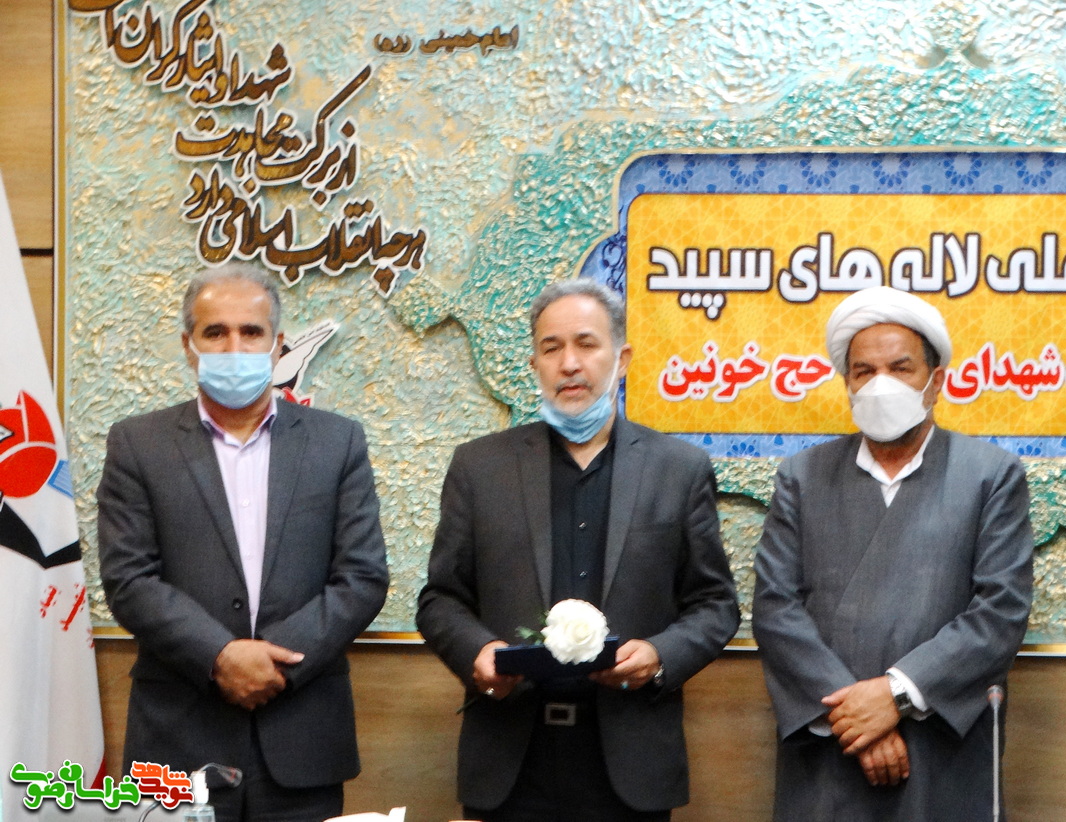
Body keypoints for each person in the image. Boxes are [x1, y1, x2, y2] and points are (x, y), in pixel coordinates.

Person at [417, 279, 740, 822]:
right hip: (510, 758)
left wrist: (660, 654)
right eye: (551, 348)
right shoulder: (479, 468)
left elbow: (715, 603)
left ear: (622, 359)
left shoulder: (678, 470)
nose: (569, 363)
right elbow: (440, 599)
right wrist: (477, 653)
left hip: (631, 762)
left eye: (586, 344)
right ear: (535, 364)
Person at [97, 264, 389, 822]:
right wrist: (220, 656)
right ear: (189, 346)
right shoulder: (137, 444)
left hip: (302, 738)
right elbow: (129, 579)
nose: (235, 347)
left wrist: (272, 662)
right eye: (216, 332)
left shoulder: (337, 442)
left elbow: (363, 577)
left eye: (251, 332)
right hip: (178, 742)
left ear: (278, 345)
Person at [752, 286, 1034, 820]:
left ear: (936, 381)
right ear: (847, 384)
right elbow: (775, 609)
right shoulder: (802, 478)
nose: (881, 383)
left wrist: (896, 695)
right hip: (829, 742)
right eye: (864, 371)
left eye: (900, 368)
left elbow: (1000, 612)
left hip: (941, 746)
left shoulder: (990, 476)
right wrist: (856, 715)